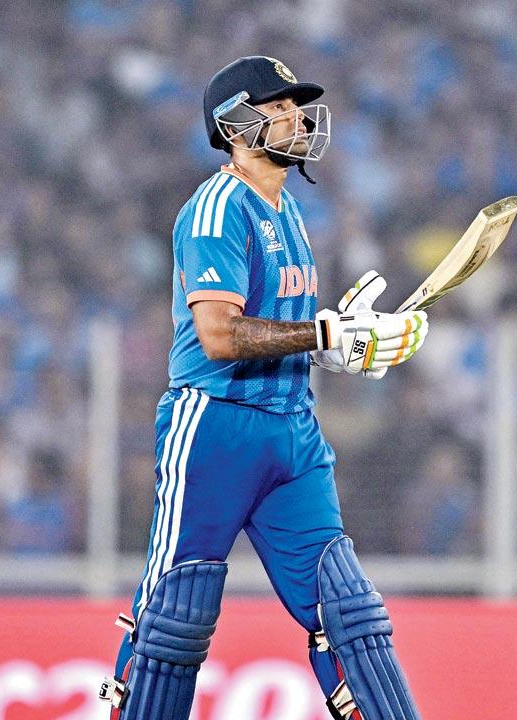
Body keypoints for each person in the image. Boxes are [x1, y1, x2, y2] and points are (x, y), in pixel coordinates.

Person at [98, 55, 428, 720]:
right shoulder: (216, 208)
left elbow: (283, 328)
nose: (296, 118)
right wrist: (323, 333)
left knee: (348, 610)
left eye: (296, 106)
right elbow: (220, 334)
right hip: (214, 426)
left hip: (293, 429)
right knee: (175, 615)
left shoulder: (291, 210)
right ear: (234, 125)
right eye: (277, 106)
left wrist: (334, 349)